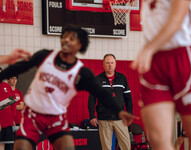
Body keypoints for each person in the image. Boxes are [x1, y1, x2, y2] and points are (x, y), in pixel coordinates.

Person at [0, 24, 133, 150]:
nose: (67, 41)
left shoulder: (81, 73)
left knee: (67, 146)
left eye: (72, 39)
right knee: (21, 146)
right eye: (65, 37)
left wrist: (120, 111)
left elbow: (102, 94)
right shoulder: (45, 56)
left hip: (56, 117)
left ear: (79, 45)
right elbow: (19, 67)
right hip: (33, 114)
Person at [131, 0, 191, 150]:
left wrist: (149, 48)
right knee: (156, 138)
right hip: (154, 61)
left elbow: (176, 19)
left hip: (182, 55)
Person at [88, 53, 133, 150]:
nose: (110, 65)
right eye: (107, 63)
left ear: (115, 64)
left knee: (126, 146)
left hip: (120, 119)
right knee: (106, 148)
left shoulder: (122, 78)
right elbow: (91, 99)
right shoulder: (97, 80)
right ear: (103, 64)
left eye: (112, 63)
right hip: (104, 119)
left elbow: (128, 98)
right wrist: (92, 116)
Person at [0, 67, 16, 150]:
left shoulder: (6, 86)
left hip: (8, 121)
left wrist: (13, 118)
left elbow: (13, 103)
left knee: (5, 143)